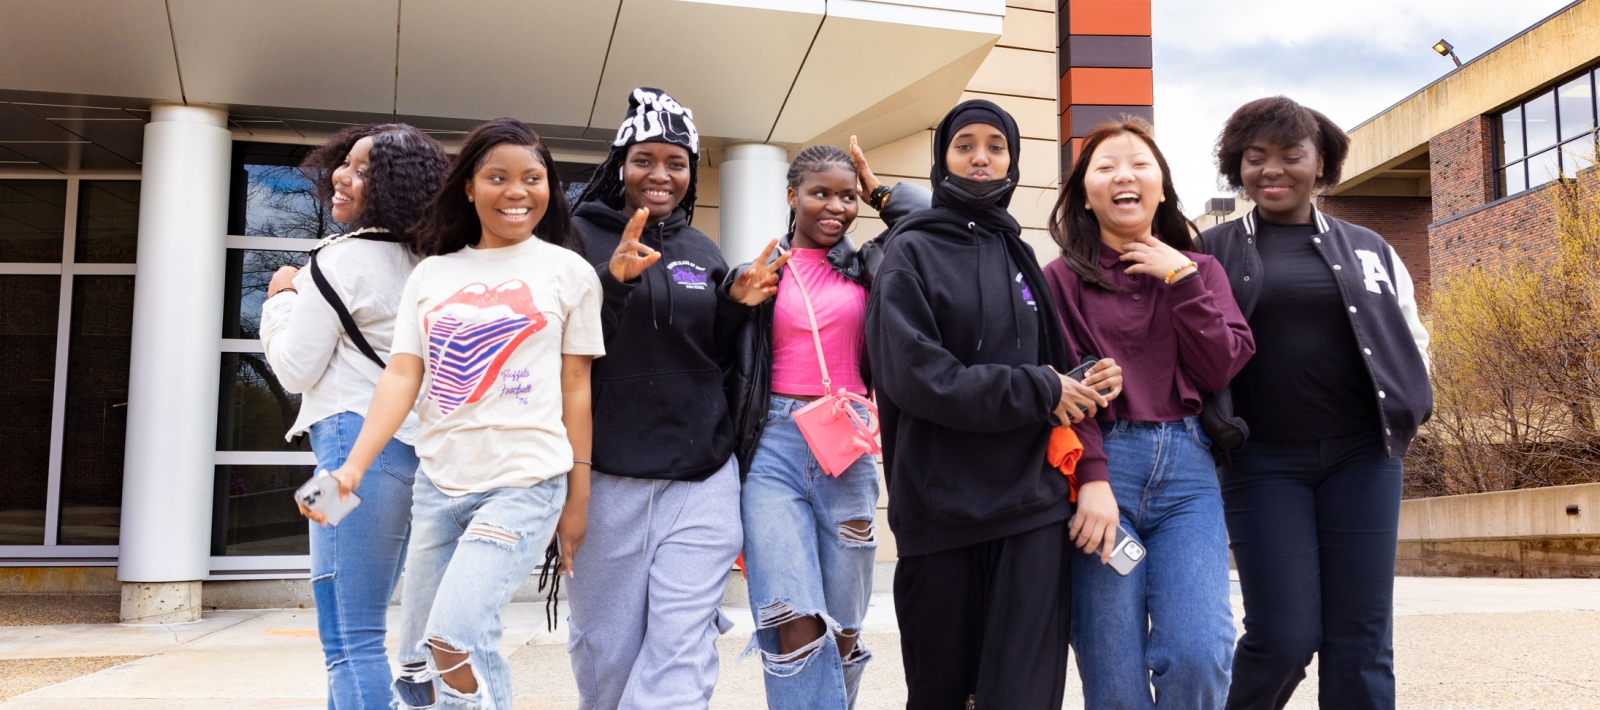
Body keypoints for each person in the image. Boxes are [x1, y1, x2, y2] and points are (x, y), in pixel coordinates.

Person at [319, 118, 603, 710]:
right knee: (420, 659)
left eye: (533, 178)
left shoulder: (568, 272)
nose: (517, 191)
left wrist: (577, 501)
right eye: (498, 177)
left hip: (525, 484)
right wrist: (351, 469)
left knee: (454, 637)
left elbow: (576, 389)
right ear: (469, 187)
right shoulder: (433, 274)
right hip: (438, 487)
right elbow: (402, 376)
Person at [864, 99, 1122, 710]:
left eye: (996, 146)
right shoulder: (910, 250)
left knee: (1025, 696)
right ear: (942, 160)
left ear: (1012, 160)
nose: (981, 157)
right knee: (942, 694)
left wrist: (1079, 381)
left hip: (1030, 507)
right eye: (965, 145)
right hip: (941, 514)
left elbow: (1047, 371)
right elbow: (915, 375)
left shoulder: (1019, 254)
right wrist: (1042, 388)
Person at [1202, 96, 1431, 710]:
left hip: (1364, 456)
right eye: (1255, 159)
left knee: (1361, 638)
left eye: (1290, 156)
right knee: (1283, 636)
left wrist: (1415, 397)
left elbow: (1410, 334)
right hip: (1263, 462)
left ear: (1320, 162)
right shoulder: (1211, 250)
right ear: (1238, 167)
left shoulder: (1369, 248)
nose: (1272, 171)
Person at [565, 87, 783, 710]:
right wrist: (613, 286)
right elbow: (563, 353)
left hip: (702, 478)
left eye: (677, 162)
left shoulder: (701, 250)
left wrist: (735, 306)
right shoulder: (578, 237)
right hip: (607, 480)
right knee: (606, 654)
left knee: (682, 650)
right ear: (619, 163)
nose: (661, 175)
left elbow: (710, 355)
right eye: (645, 159)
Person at [1041, 118, 1254, 708]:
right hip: (1105, 468)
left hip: (1188, 472)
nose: (1124, 175)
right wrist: (1094, 480)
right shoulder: (1060, 280)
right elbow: (1065, 387)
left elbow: (1219, 369)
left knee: (1202, 654)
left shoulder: (1200, 271)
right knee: (1114, 674)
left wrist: (1181, 279)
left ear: (1161, 187)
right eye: (1105, 167)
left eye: (1139, 164)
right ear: (1086, 194)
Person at [261, 123, 447, 710]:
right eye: (346, 162)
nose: (342, 175)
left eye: (364, 170)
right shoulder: (438, 264)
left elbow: (293, 369)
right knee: (403, 632)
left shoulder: (334, 262)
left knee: (347, 634)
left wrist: (279, 300)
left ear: (394, 188)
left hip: (348, 453)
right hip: (425, 455)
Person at [724, 144, 881, 709]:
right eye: (821, 193)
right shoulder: (759, 271)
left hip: (847, 446)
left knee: (842, 628)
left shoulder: (871, 266)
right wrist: (735, 304)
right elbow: (720, 352)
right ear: (791, 196)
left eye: (848, 195)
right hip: (774, 448)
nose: (836, 206)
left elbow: (922, 224)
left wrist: (879, 189)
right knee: (793, 619)